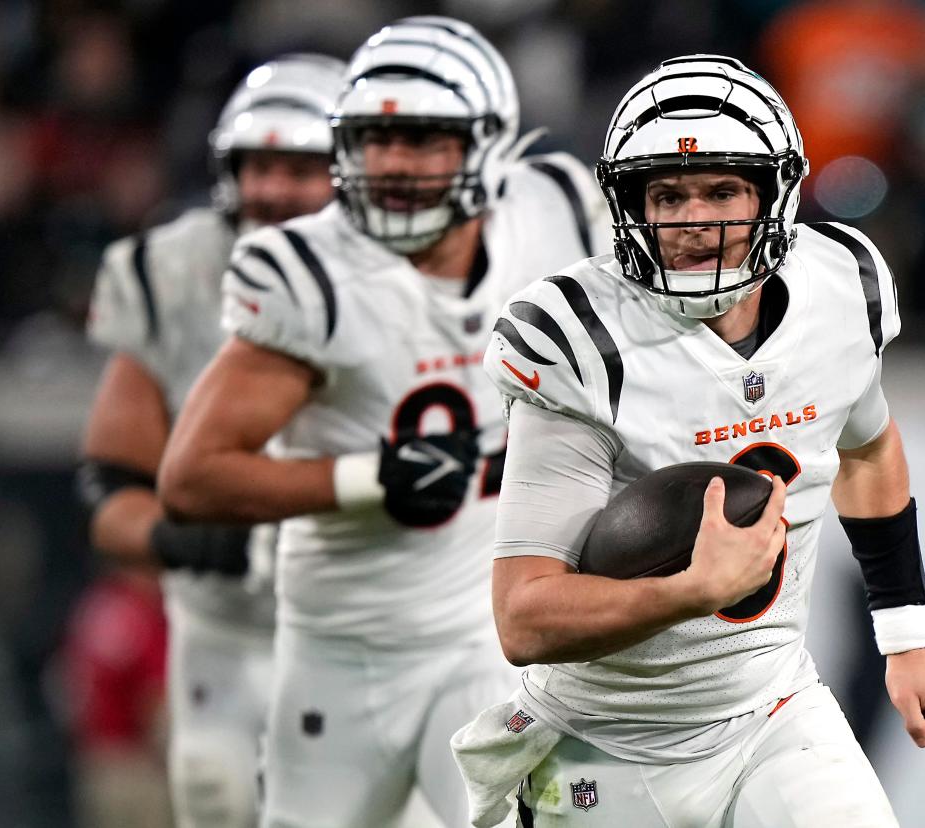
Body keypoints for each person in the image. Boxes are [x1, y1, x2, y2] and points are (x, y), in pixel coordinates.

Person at [450, 55, 925, 827]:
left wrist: (905, 637)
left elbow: (868, 448)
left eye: (723, 190)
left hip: (773, 705)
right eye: (668, 195)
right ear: (632, 207)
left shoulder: (841, 286)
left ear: (775, 196)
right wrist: (690, 590)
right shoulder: (583, 341)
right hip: (610, 737)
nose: (695, 221)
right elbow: (524, 619)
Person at [158, 16, 611, 828]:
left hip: (486, 639)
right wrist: (370, 478)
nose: (396, 164)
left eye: (426, 140)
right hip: (344, 654)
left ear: (488, 145)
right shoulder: (310, 273)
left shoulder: (556, 211)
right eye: (376, 140)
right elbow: (191, 476)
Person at [77, 53, 345, 828]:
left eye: (300, 165)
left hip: (395, 622)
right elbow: (111, 489)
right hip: (234, 632)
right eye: (257, 164)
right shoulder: (176, 274)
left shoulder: (425, 276)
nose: (273, 189)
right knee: (216, 793)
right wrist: (185, 540)